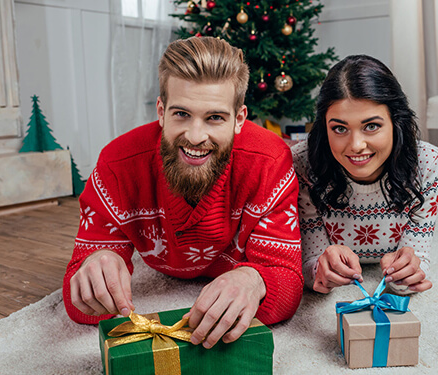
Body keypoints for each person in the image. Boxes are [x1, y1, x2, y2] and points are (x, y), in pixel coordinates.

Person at [63, 37, 303, 349]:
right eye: (181, 114)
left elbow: (287, 282)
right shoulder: (117, 165)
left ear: (239, 119)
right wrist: (96, 262)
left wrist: (254, 280)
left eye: (215, 117)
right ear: (161, 111)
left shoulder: (269, 162)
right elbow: (76, 302)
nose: (195, 136)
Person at [291, 55, 438, 294]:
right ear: (324, 127)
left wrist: (406, 275)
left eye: (371, 126)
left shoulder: (427, 163)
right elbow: (311, 261)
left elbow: (419, 257)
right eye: (340, 129)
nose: (356, 145)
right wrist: (319, 272)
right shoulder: (303, 163)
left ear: (396, 122)